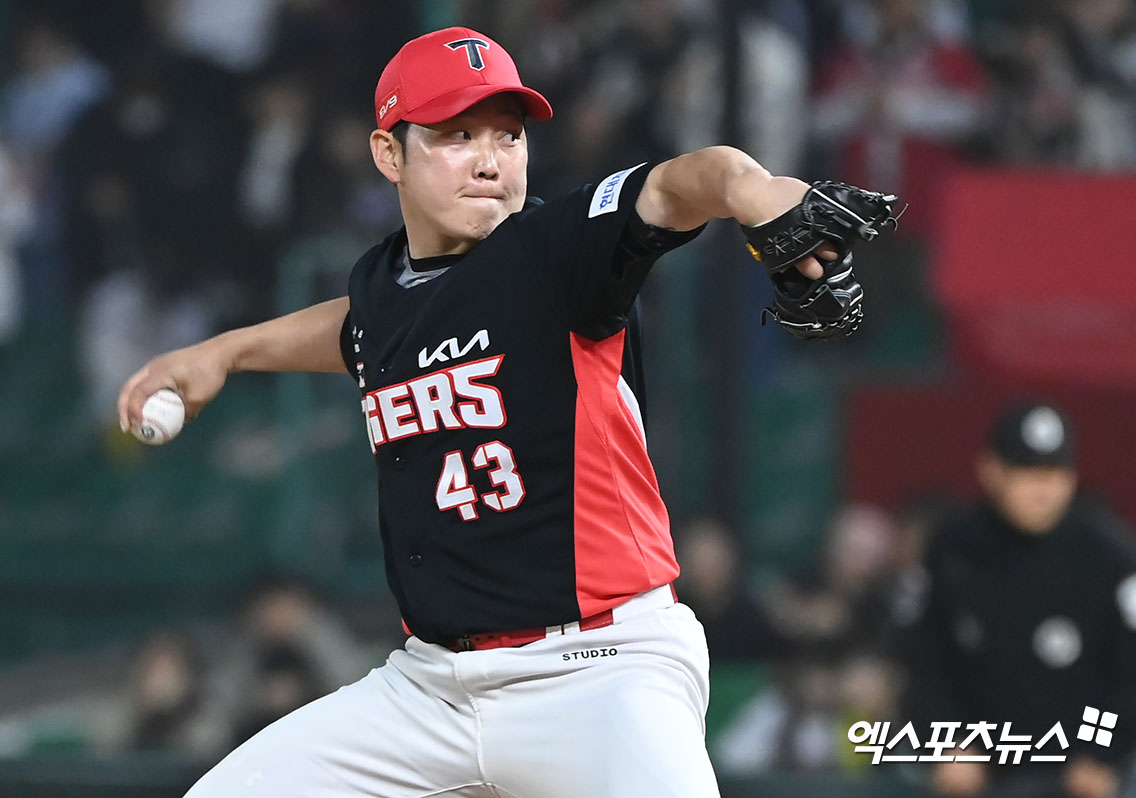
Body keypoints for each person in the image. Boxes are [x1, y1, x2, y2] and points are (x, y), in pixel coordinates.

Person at [117, 26, 856, 798]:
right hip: (430, 688)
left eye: (508, 135)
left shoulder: (558, 250)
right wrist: (226, 353)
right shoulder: (384, 287)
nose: (489, 158)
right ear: (388, 154)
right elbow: (360, 330)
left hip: (600, 670)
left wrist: (749, 187)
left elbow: (674, 187)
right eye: (454, 135)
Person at [895, 400, 1136, 798]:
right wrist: (949, 742)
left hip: (1087, 777)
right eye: (1027, 473)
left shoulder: (1107, 554)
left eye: (1055, 474)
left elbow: (1129, 675)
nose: (1043, 490)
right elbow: (923, 659)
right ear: (991, 471)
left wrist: (1101, 751)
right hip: (981, 773)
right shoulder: (956, 547)